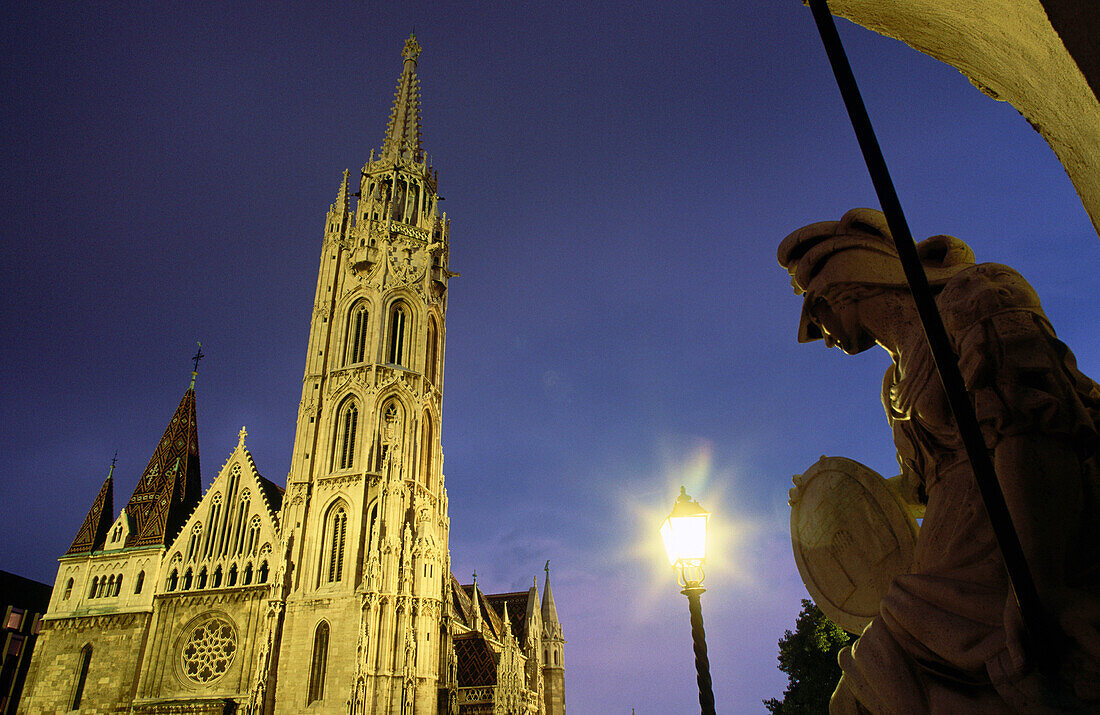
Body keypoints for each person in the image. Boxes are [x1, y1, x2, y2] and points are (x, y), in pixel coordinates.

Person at [777, 208, 1100, 712]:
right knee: (856, 698)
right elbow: (927, 490)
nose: (815, 333)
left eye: (814, 309)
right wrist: (834, 505)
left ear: (849, 283)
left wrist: (1038, 580)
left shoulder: (976, 297)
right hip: (944, 572)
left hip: (1016, 545)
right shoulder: (893, 386)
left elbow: (1033, 426)